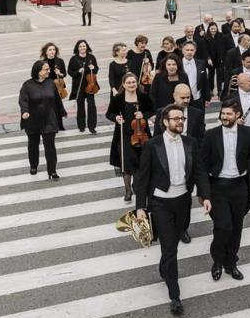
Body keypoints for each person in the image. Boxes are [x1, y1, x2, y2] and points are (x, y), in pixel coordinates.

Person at [133, 103, 199, 316]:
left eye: (182, 118)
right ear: (165, 122)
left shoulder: (190, 142)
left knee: (172, 246)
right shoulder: (152, 146)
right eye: (176, 118)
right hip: (160, 203)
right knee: (170, 248)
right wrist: (140, 207)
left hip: (182, 201)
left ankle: (164, 267)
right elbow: (142, 178)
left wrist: (205, 196)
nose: (180, 121)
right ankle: (175, 296)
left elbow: (198, 171)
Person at [198, 102, 250, 282]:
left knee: (236, 228)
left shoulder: (248, 133)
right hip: (217, 187)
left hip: (239, 187)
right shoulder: (211, 135)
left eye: (229, 114)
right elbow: (202, 167)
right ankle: (217, 261)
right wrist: (204, 194)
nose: (224, 117)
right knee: (223, 227)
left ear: (237, 115)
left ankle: (231, 263)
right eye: (223, 114)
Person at [107, 72, 154, 202]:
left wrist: (143, 115)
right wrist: (116, 117)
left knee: (141, 162)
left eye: (133, 82)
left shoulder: (143, 97)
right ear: (123, 84)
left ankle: (138, 187)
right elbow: (109, 113)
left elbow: (152, 110)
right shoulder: (118, 98)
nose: (131, 85)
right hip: (124, 135)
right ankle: (128, 189)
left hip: (142, 135)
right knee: (127, 163)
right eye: (128, 83)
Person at [19, 60, 66, 179]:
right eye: (46, 69)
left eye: (48, 69)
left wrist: (62, 112)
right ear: (38, 71)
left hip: (49, 119)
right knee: (33, 144)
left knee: (50, 146)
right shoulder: (27, 85)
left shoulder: (51, 83)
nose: (48, 71)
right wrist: (24, 112)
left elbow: (57, 100)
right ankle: (33, 165)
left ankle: (52, 171)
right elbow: (23, 100)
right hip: (32, 119)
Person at [178, 42, 209, 143]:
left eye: (192, 50)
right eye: (187, 50)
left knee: (200, 123)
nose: (189, 52)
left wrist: (207, 98)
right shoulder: (178, 64)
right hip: (182, 100)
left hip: (198, 99)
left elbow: (205, 81)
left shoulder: (201, 63)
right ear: (182, 51)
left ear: (195, 51)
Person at [67, 39, 100, 134]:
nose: (82, 48)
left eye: (84, 46)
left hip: (91, 85)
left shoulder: (91, 57)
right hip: (79, 86)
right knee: (80, 107)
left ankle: (92, 126)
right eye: (80, 46)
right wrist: (78, 71)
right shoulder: (74, 59)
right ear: (77, 48)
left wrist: (94, 68)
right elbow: (70, 71)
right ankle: (81, 126)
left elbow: (96, 69)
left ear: (87, 47)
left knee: (92, 106)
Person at [150, 54, 188, 134]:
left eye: (174, 64)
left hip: (180, 112)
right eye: (169, 64)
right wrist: (154, 113)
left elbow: (188, 93)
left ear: (178, 65)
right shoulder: (158, 77)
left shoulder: (183, 76)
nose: (171, 67)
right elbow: (153, 96)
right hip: (162, 112)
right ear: (165, 66)